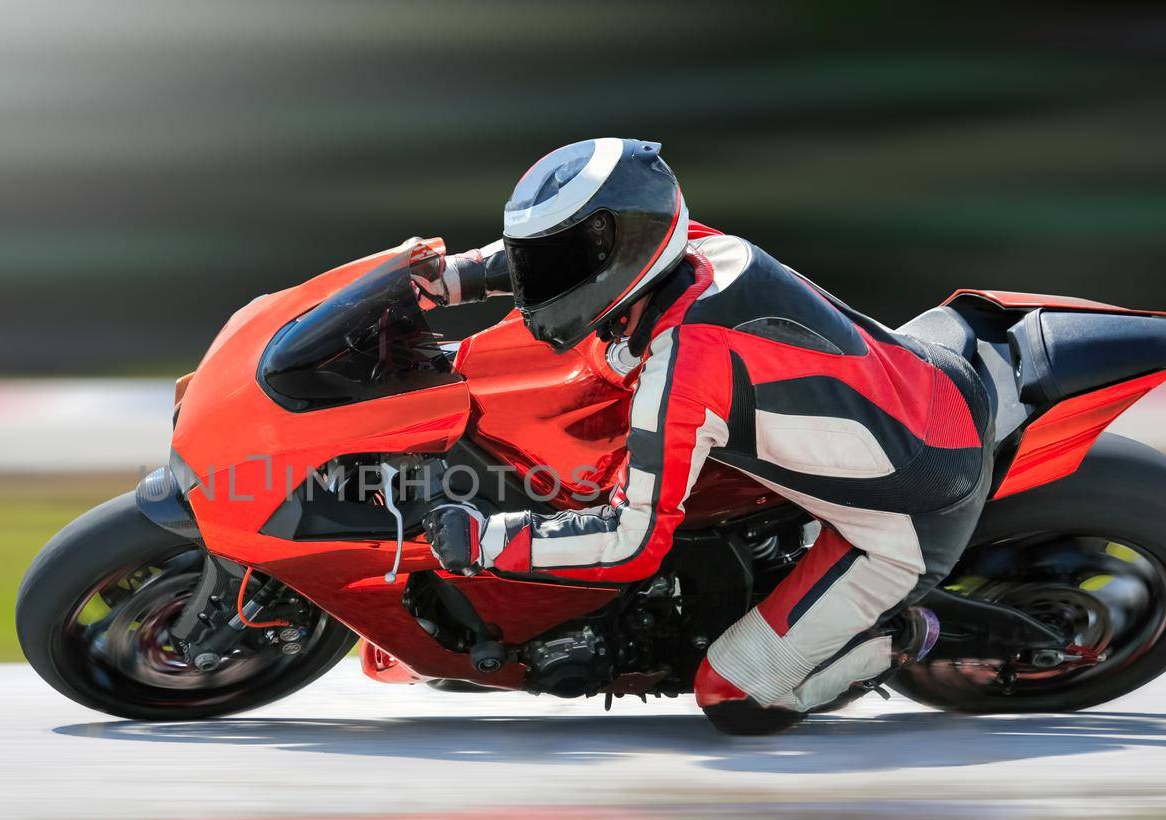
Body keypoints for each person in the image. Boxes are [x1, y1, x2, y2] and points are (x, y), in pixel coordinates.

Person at [417, 138, 990, 734]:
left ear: (629, 248)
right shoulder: (691, 250)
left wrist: (489, 540)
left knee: (732, 698)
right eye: (539, 258)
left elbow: (631, 541)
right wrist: (451, 278)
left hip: (912, 511)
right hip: (927, 379)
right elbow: (555, 264)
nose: (542, 278)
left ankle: (899, 638)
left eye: (557, 260)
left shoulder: (686, 365)